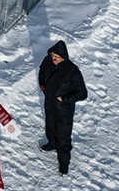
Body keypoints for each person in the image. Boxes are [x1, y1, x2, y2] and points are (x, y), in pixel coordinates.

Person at [39, 40, 88, 176]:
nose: (54, 59)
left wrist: (64, 99)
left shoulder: (72, 72)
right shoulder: (48, 61)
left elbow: (82, 93)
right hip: (50, 103)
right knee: (50, 127)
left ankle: (64, 163)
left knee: (63, 135)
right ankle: (52, 144)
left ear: (64, 57)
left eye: (57, 57)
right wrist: (42, 85)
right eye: (53, 55)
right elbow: (42, 72)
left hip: (64, 110)